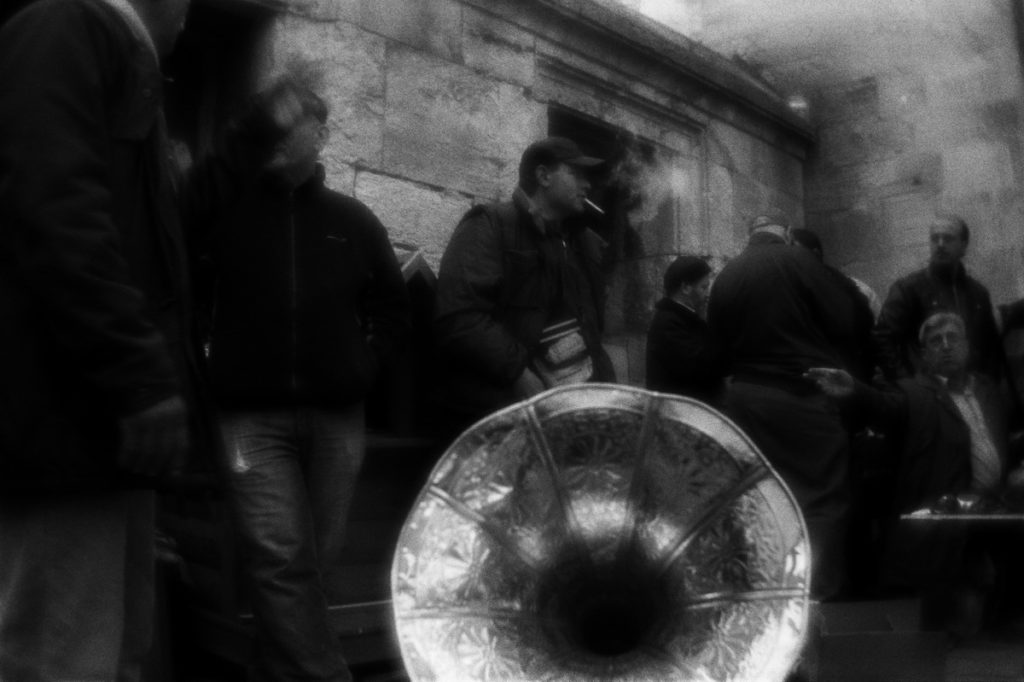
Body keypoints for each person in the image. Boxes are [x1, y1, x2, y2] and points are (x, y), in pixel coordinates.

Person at [0, 0, 301, 678]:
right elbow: (55, 212)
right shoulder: (65, 27)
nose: (190, 16)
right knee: (59, 658)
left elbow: (174, 224)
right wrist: (136, 377)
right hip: (66, 429)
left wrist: (256, 133)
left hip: (103, 435)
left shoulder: (113, 58)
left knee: (115, 653)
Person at [201, 86, 410, 681]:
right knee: (279, 559)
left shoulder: (353, 220)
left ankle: (274, 670)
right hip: (248, 419)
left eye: (296, 126)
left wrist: (363, 364)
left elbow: (395, 309)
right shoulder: (228, 214)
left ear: (316, 135)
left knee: (313, 562)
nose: (282, 135)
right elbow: (187, 296)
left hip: (337, 417)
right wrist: (209, 368)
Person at [808, 313, 1024, 637]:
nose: (946, 346)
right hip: (947, 516)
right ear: (924, 355)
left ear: (967, 346)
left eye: (954, 338)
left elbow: (1005, 436)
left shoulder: (989, 389)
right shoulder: (913, 393)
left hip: (995, 508)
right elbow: (884, 406)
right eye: (936, 342)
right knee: (952, 612)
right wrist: (855, 391)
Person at [706, 209, 859, 600]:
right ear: (786, 233)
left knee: (759, 500)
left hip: (744, 401)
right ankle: (814, 599)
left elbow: (716, 348)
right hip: (801, 397)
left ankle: (765, 601)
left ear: (751, 235)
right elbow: (847, 320)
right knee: (821, 498)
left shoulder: (725, 275)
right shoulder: (800, 260)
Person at [433, 136, 616, 433]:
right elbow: (460, 315)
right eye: (576, 173)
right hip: (507, 415)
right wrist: (519, 374)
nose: (588, 185)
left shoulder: (583, 242)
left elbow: (591, 328)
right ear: (543, 176)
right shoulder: (491, 223)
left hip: (573, 416)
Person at [874, 214, 1003, 382]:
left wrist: (986, 385)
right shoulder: (908, 289)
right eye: (935, 238)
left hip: (971, 390)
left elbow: (989, 346)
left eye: (948, 238)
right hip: (930, 392)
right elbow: (882, 338)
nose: (940, 244)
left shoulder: (978, 293)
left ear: (963, 246)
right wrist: (908, 384)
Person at [645, 254, 726, 404]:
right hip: (679, 412)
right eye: (703, 287)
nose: (707, 294)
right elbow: (699, 368)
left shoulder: (682, 318)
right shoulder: (669, 323)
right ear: (686, 288)